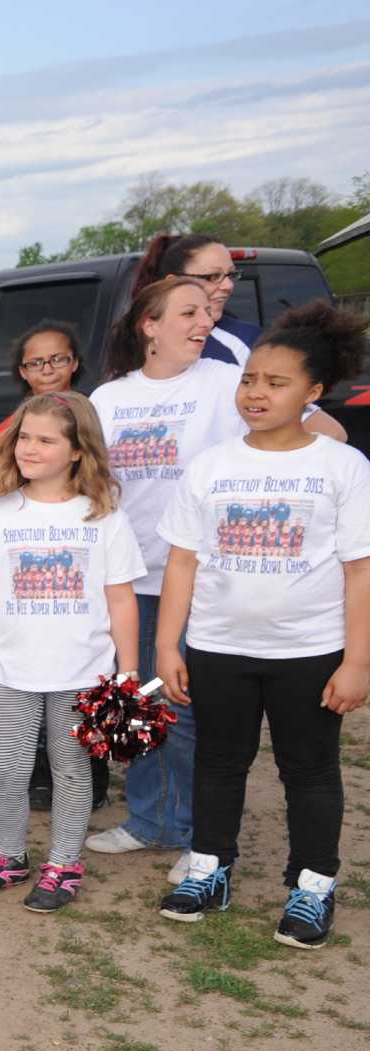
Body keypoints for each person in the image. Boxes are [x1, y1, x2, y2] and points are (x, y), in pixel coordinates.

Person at [155, 304, 370, 949]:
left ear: (313, 392)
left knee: (309, 770)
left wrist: (357, 661)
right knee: (219, 762)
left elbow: (360, 571)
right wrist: (169, 643)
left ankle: (312, 885)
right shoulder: (212, 466)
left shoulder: (343, 468)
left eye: (277, 383)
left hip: (310, 650)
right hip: (220, 647)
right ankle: (210, 868)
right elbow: (183, 562)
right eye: (250, 379)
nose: (257, 393)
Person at [0, 392, 144, 912]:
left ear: (78, 449)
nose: (29, 449)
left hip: (82, 673)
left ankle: (63, 863)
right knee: (10, 770)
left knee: (70, 769)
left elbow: (121, 597)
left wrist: (126, 673)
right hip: (11, 671)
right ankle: (10, 854)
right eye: (24, 437)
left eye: (45, 439)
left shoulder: (102, 515)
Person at [83, 279, 244, 883]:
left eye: (207, 311)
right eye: (189, 311)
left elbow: (314, 433)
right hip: (129, 576)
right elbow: (90, 483)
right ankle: (149, 819)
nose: (204, 320)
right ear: (149, 324)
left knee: (189, 710)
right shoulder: (108, 398)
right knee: (142, 702)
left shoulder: (227, 384)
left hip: (200, 578)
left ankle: (198, 832)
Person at [1, 321, 110, 813]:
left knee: (76, 698)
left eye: (56, 360)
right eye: (35, 362)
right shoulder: (12, 428)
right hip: (25, 604)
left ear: (74, 362)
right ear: (22, 372)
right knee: (29, 700)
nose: (46, 370)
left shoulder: (92, 415)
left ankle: (92, 772)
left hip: (79, 596)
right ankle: (40, 776)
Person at [129, 232, 259, 366]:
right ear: (172, 282)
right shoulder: (129, 343)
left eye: (231, 274)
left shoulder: (246, 342)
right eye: (212, 276)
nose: (228, 285)